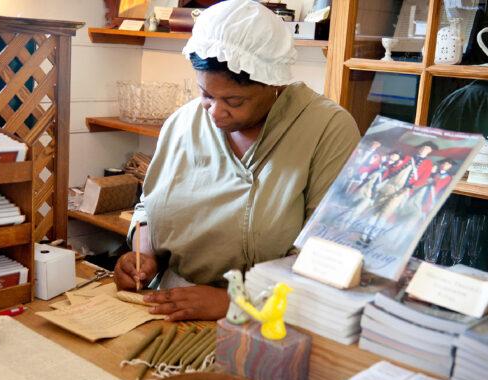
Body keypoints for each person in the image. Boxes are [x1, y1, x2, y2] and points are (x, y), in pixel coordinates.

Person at [113, 0, 360, 321]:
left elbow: (332, 255)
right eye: (205, 94)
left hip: (274, 316)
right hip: (174, 303)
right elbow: (149, 208)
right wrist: (144, 255)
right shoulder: (182, 123)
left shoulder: (326, 129)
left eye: (234, 100)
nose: (215, 111)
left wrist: (236, 303)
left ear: (274, 83)